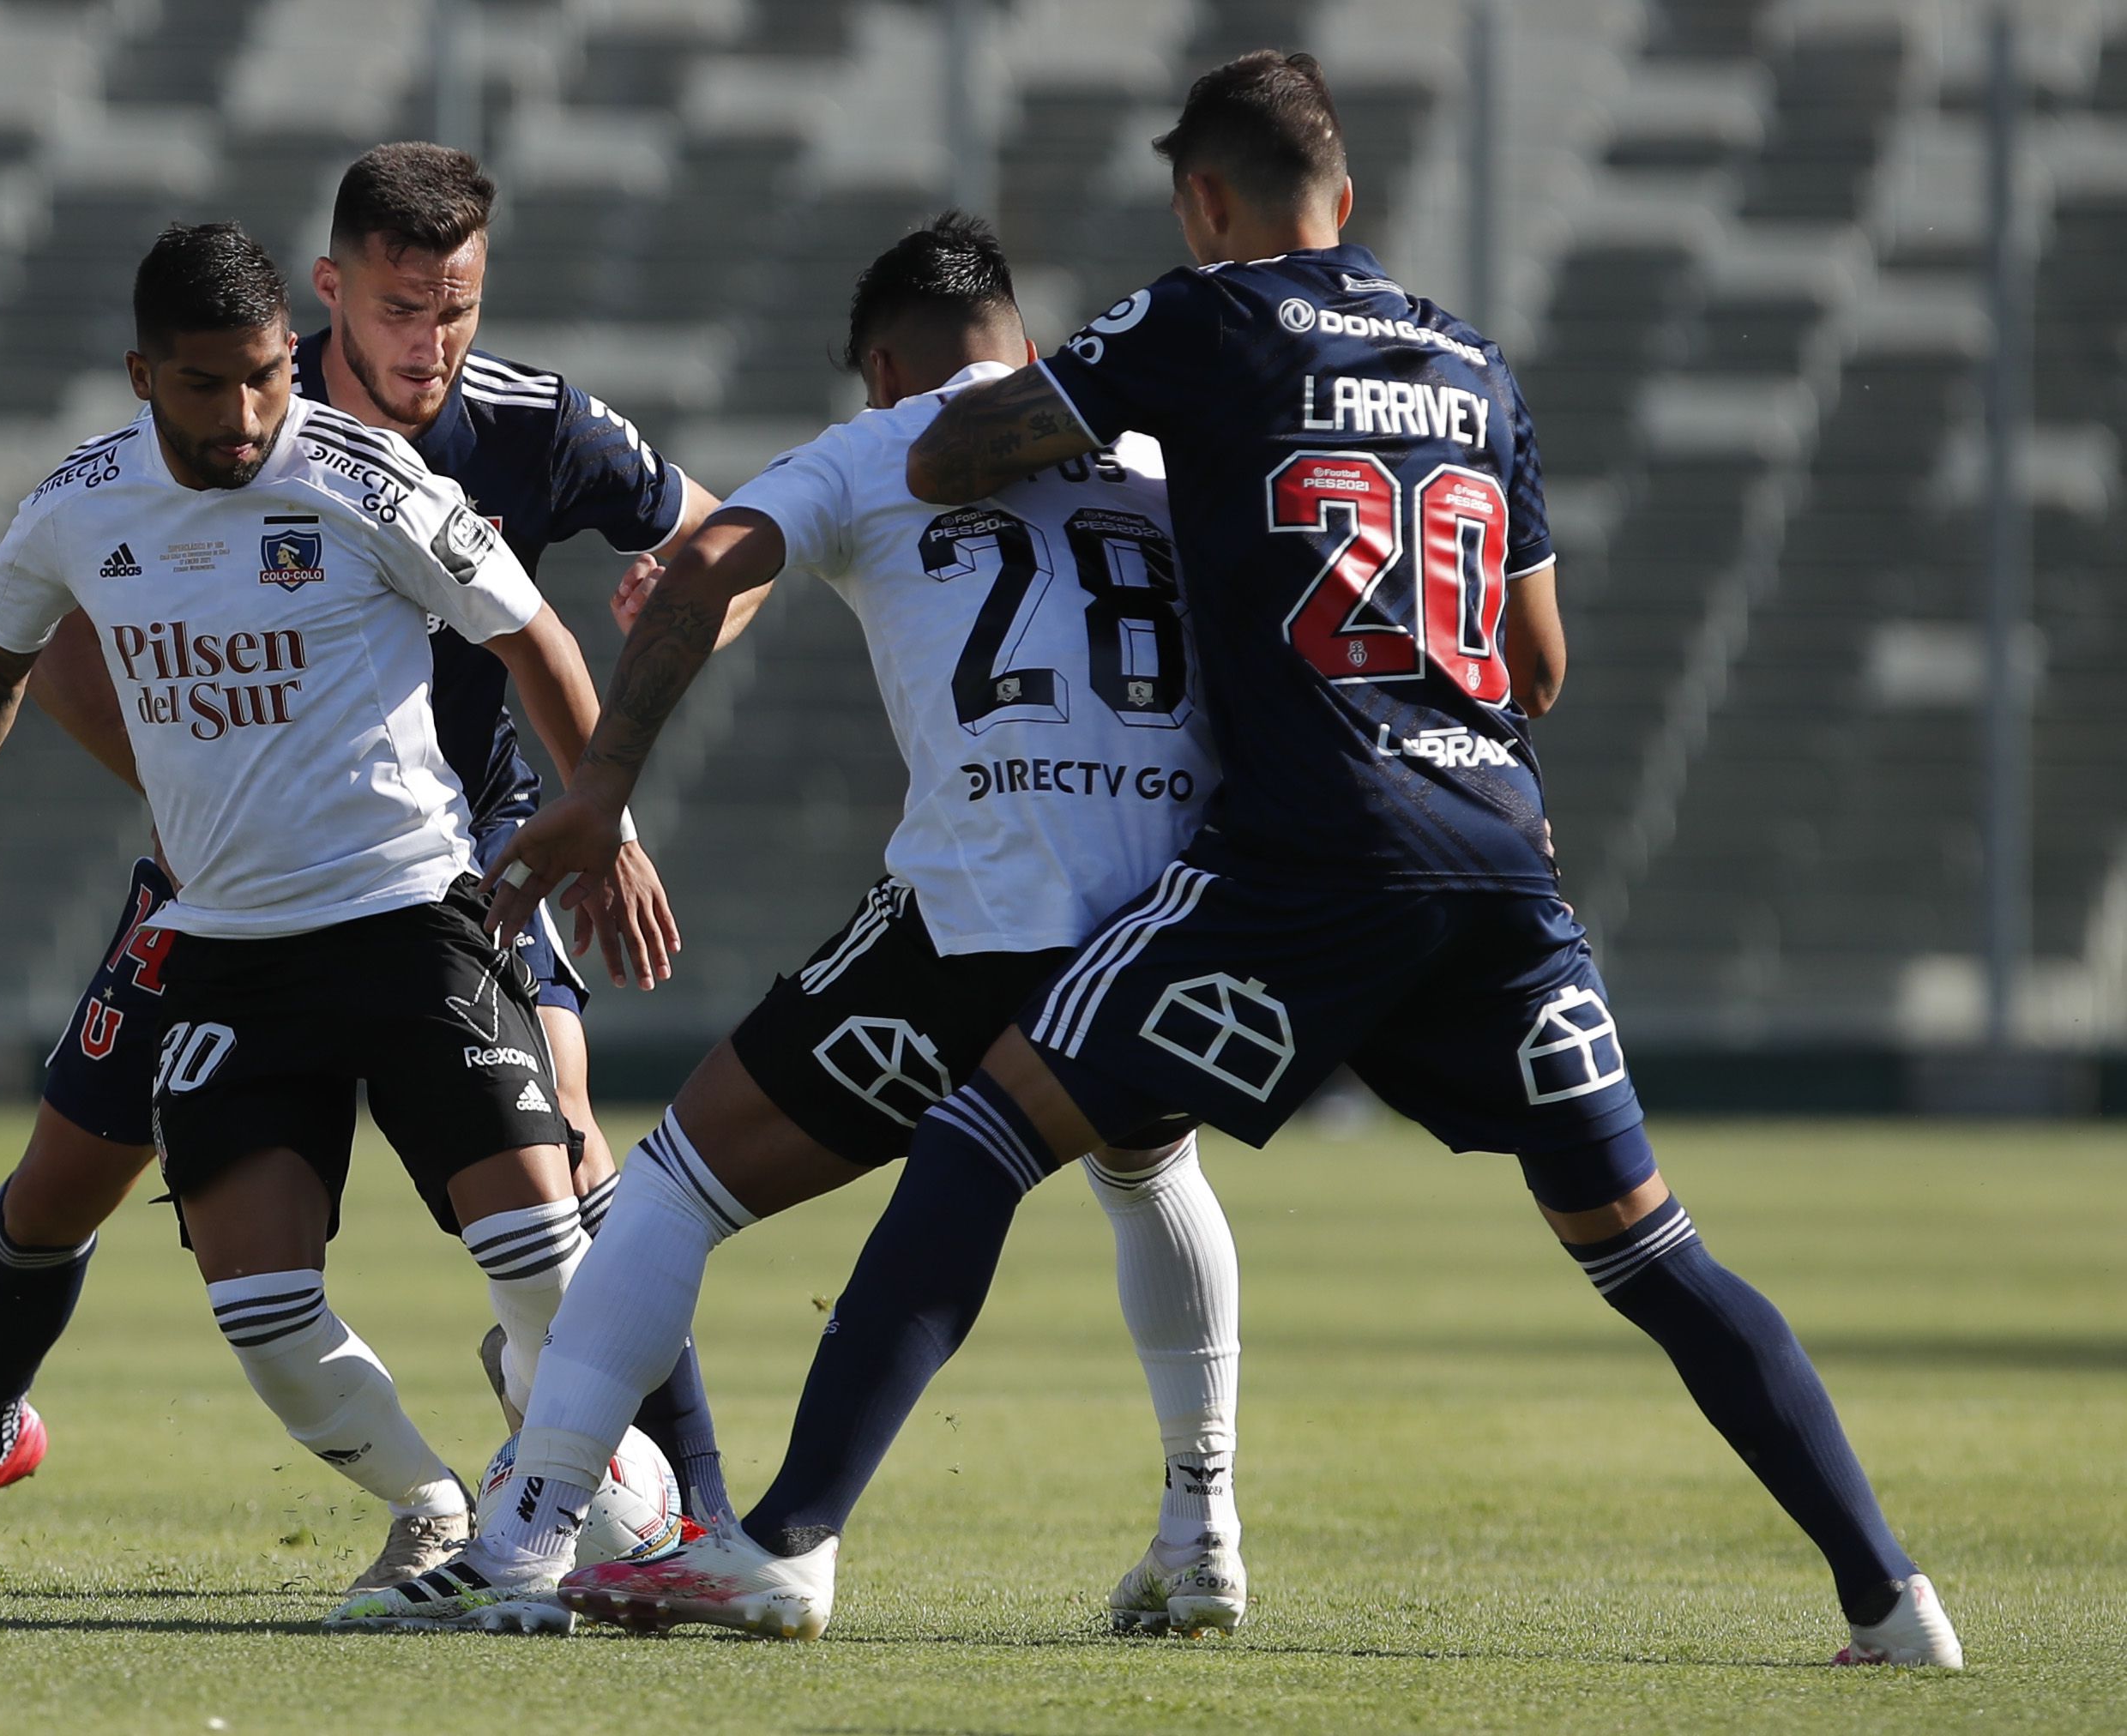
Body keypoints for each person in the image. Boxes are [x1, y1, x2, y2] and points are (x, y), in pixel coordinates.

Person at [547, 52, 1966, 1671]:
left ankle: (781, 1543)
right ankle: (1889, 1595)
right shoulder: (1478, 370)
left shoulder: (1205, 320)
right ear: (1348, 198)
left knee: (982, 1132)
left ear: (1203, 203)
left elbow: (948, 458)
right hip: (1499, 851)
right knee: (1645, 1243)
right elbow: (1541, 658)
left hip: (1310, 851)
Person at [0, 145, 738, 1588]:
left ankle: (661, 1517)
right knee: (144, 1236)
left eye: (457, 310)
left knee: (559, 1201)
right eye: (210, 384)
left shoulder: (412, 461)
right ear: (153, 372)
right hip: (223, 919)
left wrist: (604, 808)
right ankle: (381, 1503)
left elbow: (572, 617)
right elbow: (4, 657)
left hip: (432, 886)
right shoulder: (91, 498)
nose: (249, 414)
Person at [332, 214, 1246, 1637]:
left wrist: (607, 783)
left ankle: (526, 1543)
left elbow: (709, 560)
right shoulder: (1156, 460)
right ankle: (1203, 1526)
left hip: (979, 913)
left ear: (884, 366)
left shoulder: (879, 444)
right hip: (1163, 920)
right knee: (1147, 1164)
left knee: (681, 1182)